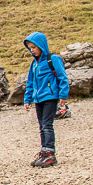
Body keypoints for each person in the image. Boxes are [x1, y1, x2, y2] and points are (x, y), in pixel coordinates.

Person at [22, 32, 69, 168]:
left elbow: (62, 77)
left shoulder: (53, 59)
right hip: (38, 99)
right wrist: (27, 99)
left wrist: (63, 95)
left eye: (34, 47)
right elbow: (30, 83)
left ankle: (50, 153)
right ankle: (44, 151)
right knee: (41, 126)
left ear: (41, 46)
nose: (32, 50)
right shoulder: (34, 64)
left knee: (47, 125)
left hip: (50, 97)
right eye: (30, 48)